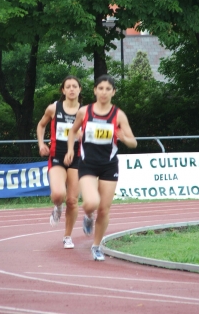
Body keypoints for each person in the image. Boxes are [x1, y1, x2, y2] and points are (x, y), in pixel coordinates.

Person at [64, 74, 137, 261]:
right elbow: (72, 131)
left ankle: (96, 246)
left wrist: (122, 136)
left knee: (104, 209)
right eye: (101, 88)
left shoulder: (118, 115)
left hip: (108, 166)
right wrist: (70, 150)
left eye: (108, 89)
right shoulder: (85, 112)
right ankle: (88, 215)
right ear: (95, 90)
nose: (104, 92)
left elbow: (133, 142)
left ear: (113, 92)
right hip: (87, 164)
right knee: (91, 203)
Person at [37, 75, 82, 249]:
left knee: (72, 200)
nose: (71, 89)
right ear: (63, 90)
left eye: (74, 86)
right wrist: (41, 144)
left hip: (77, 159)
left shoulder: (85, 112)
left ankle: (67, 236)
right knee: (58, 195)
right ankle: (57, 207)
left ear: (80, 90)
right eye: (68, 86)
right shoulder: (54, 108)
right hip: (57, 157)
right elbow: (41, 125)